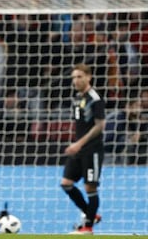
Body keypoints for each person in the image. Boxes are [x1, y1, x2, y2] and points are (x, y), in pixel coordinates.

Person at [60, 64, 105, 235]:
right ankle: (91, 214)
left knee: (90, 188)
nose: (75, 80)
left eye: (79, 77)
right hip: (79, 149)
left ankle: (88, 227)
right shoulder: (78, 98)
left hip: (92, 150)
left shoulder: (95, 98)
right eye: (73, 77)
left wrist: (79, 143)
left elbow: (100, 125)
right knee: (66, 184)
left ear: (89, 77)